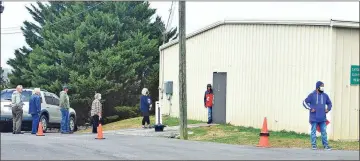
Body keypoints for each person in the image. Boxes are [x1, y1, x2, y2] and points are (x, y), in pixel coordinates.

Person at [303, 81, 332, 150]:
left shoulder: (325, 95)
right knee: (313, 131)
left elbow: (329, 103)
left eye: (323, 87)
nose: (323, 88)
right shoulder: (312, 95)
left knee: (324, 132)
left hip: (322, 118)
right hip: (314, 117)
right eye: (321, 86)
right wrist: (310, 108)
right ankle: (314, 145)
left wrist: (328, 109)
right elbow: (304, 102)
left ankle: (325, 145)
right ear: (317, 87)